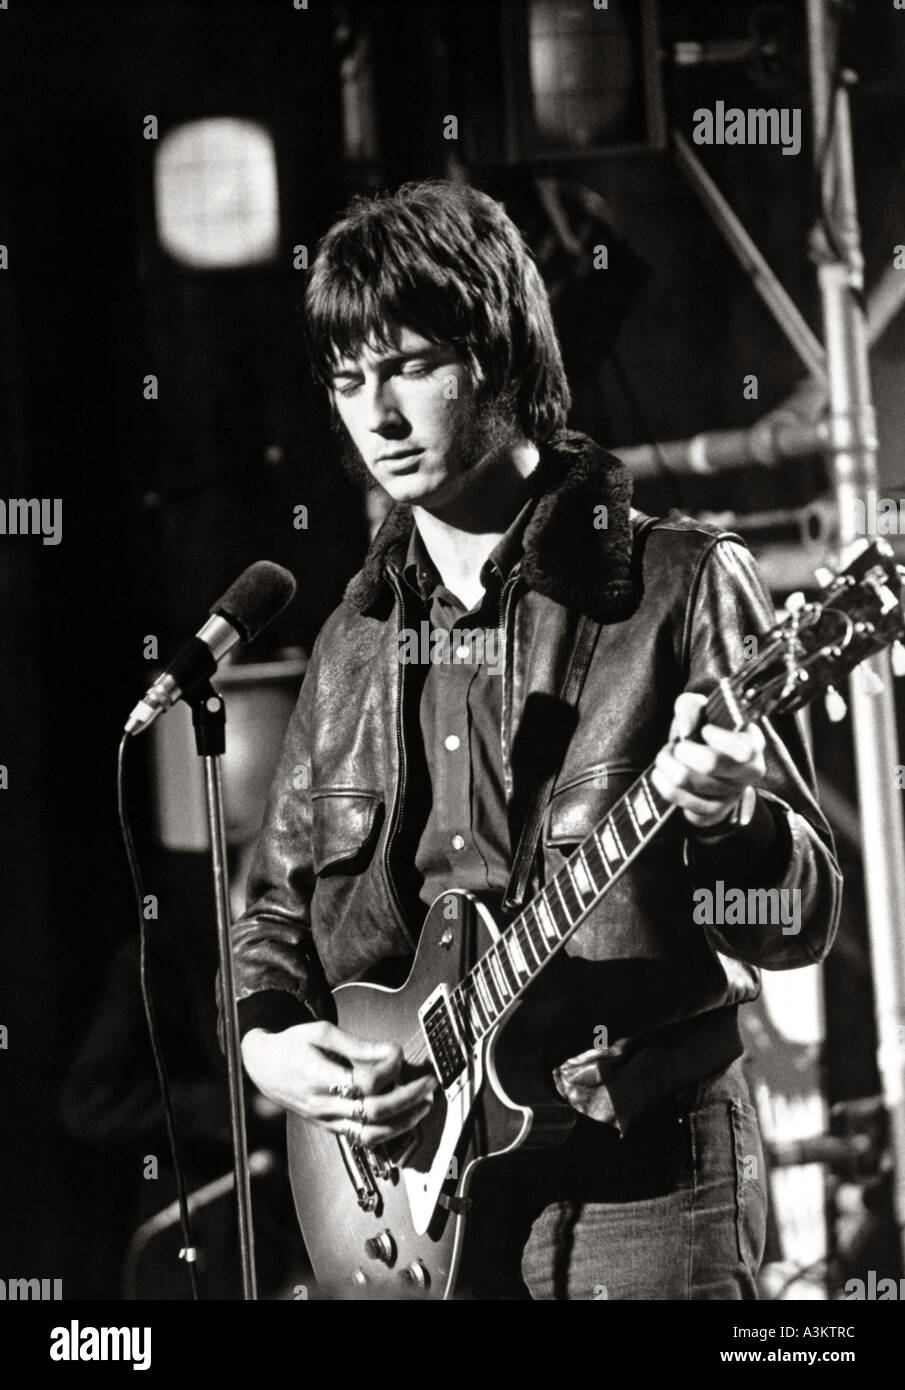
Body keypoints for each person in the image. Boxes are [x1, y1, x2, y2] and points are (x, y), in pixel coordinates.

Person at [225, 180, 842, 1300]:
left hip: (639, 1179)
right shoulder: (348, 645)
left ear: (497, 353)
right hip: (407, 1195)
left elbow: (796, 922)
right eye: (349, 379)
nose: (379, 416)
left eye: (409, 364)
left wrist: (734, 818)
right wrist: (272, 1047)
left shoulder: (678, 585)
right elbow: (271, 912)